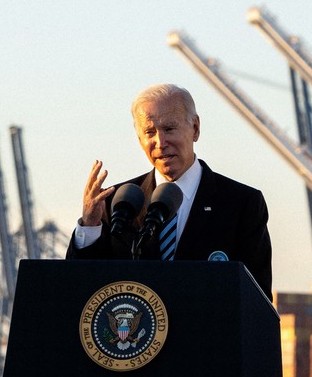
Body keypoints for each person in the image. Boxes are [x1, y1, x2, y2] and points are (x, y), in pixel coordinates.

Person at [65, 83, 273, 296]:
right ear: (139, 139)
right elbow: (80, 289)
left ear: (195, 128)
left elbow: (258, 298)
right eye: (149, 132)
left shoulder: (241, 203)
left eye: (169, 129)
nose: (160, 142)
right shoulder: (116, 203)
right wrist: (89, 226)